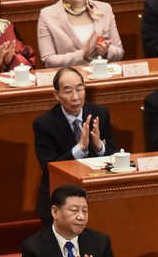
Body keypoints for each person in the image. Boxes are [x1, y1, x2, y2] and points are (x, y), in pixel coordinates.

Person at [32, 67, 115, 222]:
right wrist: (80, 148)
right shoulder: (44, 124)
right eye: (68, 91)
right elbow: (49, 167)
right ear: (56, 94)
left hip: (94, 188)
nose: (76, 97)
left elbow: (113, 157)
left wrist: (99, 147)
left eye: (79, 89)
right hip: (60, 192)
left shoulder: (100, 113)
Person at [37, 0, 124, 68]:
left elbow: (119, 52)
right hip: (68, 78)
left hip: (101, 73)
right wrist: (82, 54)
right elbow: (48, 60)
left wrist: (106, 51)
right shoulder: (48, 15)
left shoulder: (104, 9)